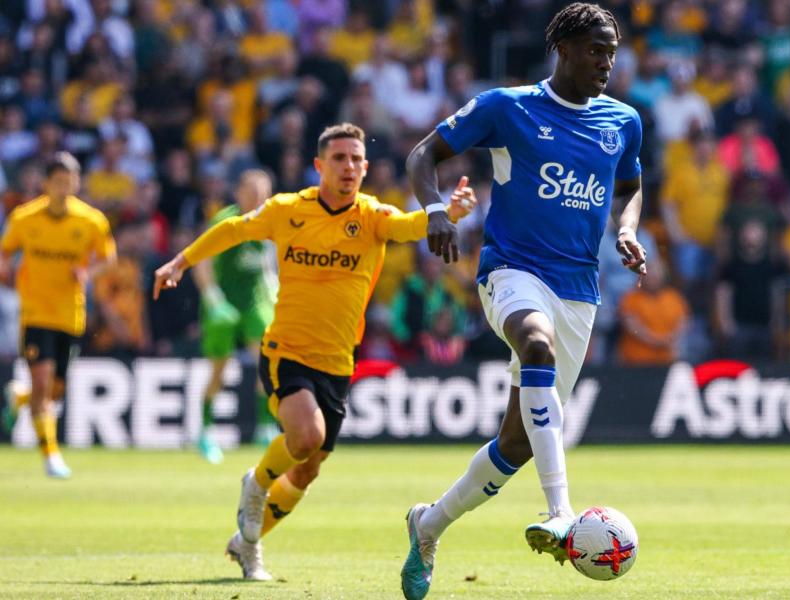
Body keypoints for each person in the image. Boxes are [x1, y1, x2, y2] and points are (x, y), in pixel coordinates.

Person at [152, 123, 475, 580]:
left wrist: (451, 210)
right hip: (287, 350)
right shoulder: (288, 210)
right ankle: (257, 482)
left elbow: (413, 224)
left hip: (338, 361)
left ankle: (248, 543)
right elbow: (232, 230)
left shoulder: (372, 216)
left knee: (306, 472)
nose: (349, 167)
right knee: (304, 438)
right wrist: (181, 261)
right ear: (319, 165)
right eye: (339, 158)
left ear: (366, 167)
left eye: (356, 159)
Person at [401, 4, 646, 598]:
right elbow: (422, 155)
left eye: (611, 52)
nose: (606, 63)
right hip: (512, 271)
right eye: (595, 50)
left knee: (515, 443)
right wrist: (435, 210)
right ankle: (561, 512)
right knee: (533, 341)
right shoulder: (507, 108)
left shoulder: (623, 121)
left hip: (579, 291)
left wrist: (627, 228)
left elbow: (632, 185)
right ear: (561, 49)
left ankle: (428, 525)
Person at [0, 152, 117, 478]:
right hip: (35, 312)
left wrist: (87, 272)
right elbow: (5, 250)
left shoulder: (91, 220)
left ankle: (20, 398)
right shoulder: (25, 218)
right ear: (46, 183)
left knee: (53, 390)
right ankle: (51, 456)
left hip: (71, 314)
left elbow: (108, 258)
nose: (64, 188)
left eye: (70, 182)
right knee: (42, 380)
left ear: (77, 183)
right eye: (58, 182)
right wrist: (4, 267)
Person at [191, 169, 280, 464]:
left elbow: (272, 264)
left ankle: (265, 427)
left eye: (262, 192)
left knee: (268, 362)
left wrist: (278, 292)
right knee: (220, 370)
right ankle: (204, 431)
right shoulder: (224, 221)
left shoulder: (272, 221)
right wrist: (213, 300)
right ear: (239, 193)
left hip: (255, 302)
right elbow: (200, 260)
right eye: (252, 192)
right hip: (224, 302)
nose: (257, 198)